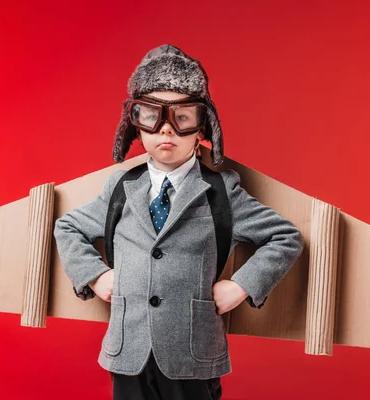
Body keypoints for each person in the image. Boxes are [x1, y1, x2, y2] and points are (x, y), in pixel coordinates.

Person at [54, 44, 304, 400]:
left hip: (193, 353)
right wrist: (96, 275)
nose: (166, 131)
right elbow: (68, 227)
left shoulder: (222, 191)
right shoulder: (121, 188)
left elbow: (284, 237)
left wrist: (242, 285)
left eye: (182, 117)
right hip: (128, 350)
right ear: (135, 126)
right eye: (152, 117)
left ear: (203, 126)